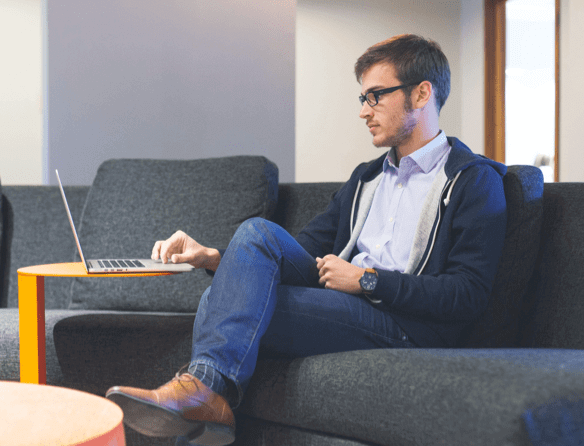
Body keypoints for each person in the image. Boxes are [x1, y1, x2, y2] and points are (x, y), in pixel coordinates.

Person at [106, 34, 507, 446]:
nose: (364, 111)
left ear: (422, 93)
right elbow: (292, 250)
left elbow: (468, 294)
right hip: (348, 304)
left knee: (220, 304)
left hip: (409, 325)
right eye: (362, 98)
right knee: (256, 236)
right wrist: (212, 257)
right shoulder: (367, 178)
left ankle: (205, 399)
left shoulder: (472, 180)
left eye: (375, 96)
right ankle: (208, 402)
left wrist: (367, 279)